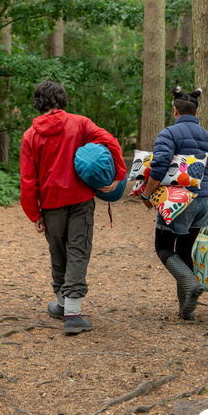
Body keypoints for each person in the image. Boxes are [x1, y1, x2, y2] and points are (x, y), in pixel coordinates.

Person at [20, 80, 126, 335]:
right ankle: (72, 313)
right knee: (78, 251)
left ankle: (62, 303)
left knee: (58, 251)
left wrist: (34, 213)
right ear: (62, 99)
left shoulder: (30, 135)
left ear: (38, 103)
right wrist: (118, 175)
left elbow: (28, 180)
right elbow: (110, 142)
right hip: (80, 201)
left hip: (49, 205)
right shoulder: (79, 123)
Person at [141, 87, 208, 320]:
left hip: (179, 201)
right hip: (204, 201)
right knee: (185, 251)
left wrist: (147, 195)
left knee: (163, 247)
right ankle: (186, 309)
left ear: (175, 111)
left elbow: (159, 167)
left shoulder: (169, 134)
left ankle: (191, 284)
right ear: (197, 113)